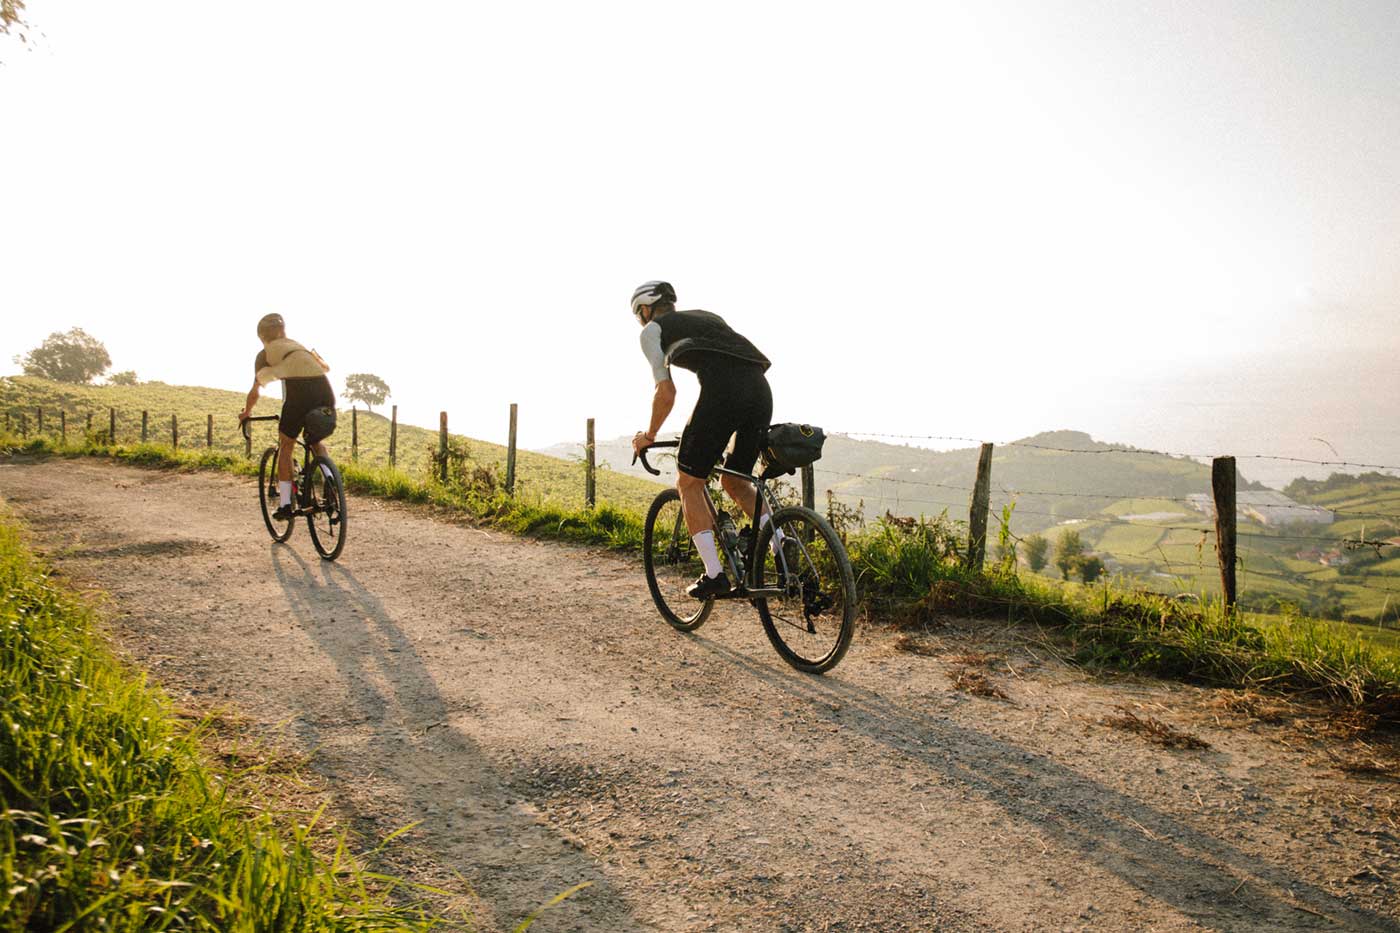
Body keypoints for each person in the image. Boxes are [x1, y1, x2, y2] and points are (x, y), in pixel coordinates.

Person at [629, 281, 787, 598]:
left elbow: (666, 392)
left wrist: (649, 436)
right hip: (760, 390)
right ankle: (781, 543)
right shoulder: (708, 316)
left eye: (638, 313)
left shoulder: (651, 331)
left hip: (723, 393)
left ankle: (714, 575)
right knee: (734, 481)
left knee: (689, 483)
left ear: (645, 309)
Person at [238, 313, 336, 520]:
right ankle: (331, 481)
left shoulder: (265, 354)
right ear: (283, 332)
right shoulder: (298, 347)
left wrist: (247, 412)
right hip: (325, 392)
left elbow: (256, 390)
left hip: (300, 396)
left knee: (286, 446)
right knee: (316, 442)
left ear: (261, 337)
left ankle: (285, 505)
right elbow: (325, 367)